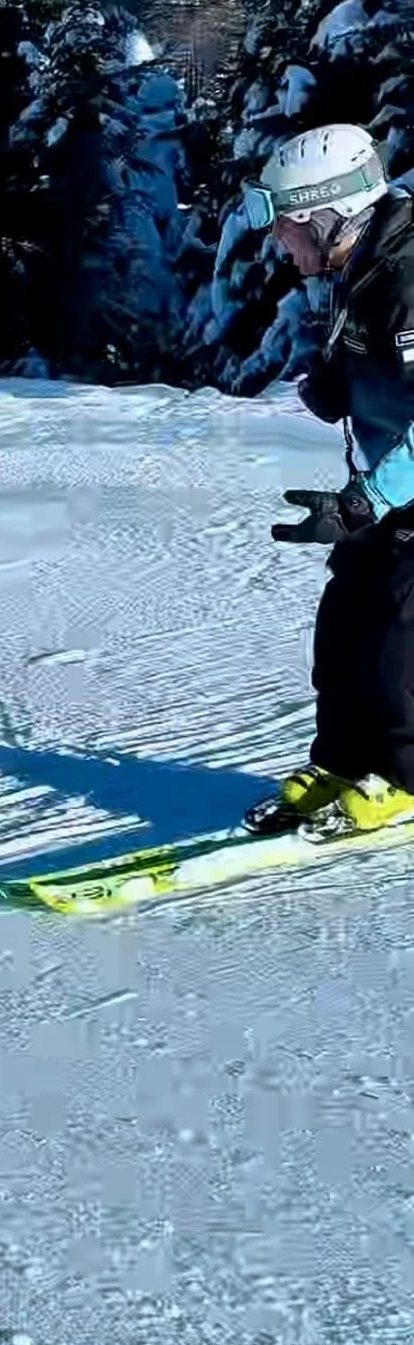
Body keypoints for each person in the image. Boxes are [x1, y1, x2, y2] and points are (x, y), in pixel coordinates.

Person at [240, 123, 414, 838]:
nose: (278, 242)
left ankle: (405, 779)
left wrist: (368, 499)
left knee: (400, 634)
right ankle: (343, 763)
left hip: (400, 485)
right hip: (390, 482)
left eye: (285, 225)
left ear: (327, 215)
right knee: (344, 621)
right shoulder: (362, 261)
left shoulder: (408, 276)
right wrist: (341, 384)